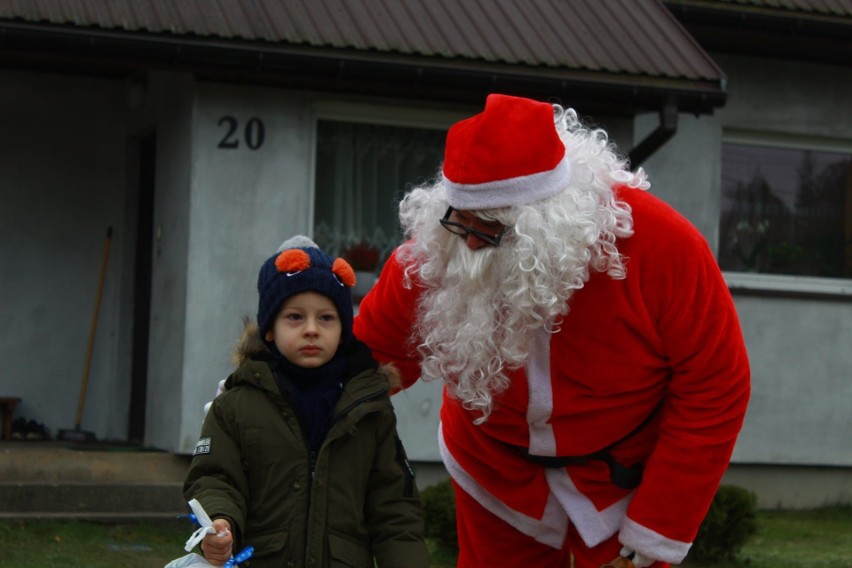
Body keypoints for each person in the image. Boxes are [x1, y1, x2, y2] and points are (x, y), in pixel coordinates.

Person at [353, 93, 751, 568]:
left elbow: (715, 386)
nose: (472, 245)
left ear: (549, 221)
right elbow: (367, 361)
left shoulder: (663, 246)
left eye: (490, 229)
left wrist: (653, 534)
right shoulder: (443, 248)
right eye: (461, 224)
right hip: (494, 467)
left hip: (620, 472)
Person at [184, 236, 429, 568]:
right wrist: (220, 520)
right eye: (295, 317)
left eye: (326, 318)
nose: (311, 330)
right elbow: (215, 477)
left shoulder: (369, 408)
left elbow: (394, 510)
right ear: (269, 330)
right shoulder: (236, 404)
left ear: (343, 330)